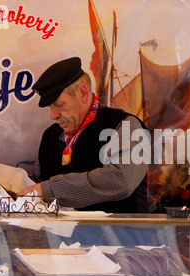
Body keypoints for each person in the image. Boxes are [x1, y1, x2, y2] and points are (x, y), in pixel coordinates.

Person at [20, 57, 149, 213]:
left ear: (82, 93)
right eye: (50, 107)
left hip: (122, 237)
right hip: (62, 237)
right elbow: (39, 187)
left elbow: (121, 181)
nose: (52, 115)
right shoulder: (50, 137)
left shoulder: (127, 126)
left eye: (59, 105)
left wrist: (50, 190)